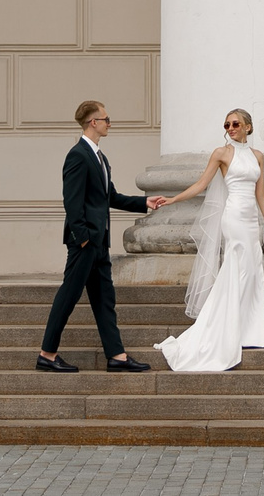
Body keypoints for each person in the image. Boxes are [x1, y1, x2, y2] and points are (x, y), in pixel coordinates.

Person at [38, 100, 168, 373]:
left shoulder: (100, 157)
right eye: (106, 119)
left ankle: (117, 356)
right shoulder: (77, 155)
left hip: (98, 242)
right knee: (68, 296)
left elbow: (110, 197)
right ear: (93, 122)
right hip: (85, 243)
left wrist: (144, 202)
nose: (110, 123)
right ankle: (47, 354)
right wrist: (83, 237)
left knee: (104, 299)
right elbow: (72, 200)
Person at [151, 108, 264, 374]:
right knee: (237, 269)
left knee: (252, 270)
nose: (230, 128)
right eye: (227, 125)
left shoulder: (258, 156)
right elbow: (201, 185)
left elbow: (261, 194)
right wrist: (173, 199)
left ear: (248, 127)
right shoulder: (221, 154)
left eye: (235, 124)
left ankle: (249, 331)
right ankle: (226, 328)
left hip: (250, 220)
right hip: (233, 218)